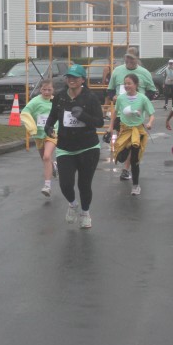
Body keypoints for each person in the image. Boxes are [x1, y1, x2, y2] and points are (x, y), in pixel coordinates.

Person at [45, 64, 104, 229]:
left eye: (75, 77)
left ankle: (85, 213)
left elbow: (99, 122)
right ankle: (72, 204)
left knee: (84, 185)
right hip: (65, 147)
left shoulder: (90, 98)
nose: (71, 80)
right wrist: (48, 127)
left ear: (82, 80)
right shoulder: (60, 97)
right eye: (69, 77)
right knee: (65, 184)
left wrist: (83, 116)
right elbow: (52, 116)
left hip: (88, 147)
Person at [106, 47, 157, 181]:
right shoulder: (117, 71)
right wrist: (113, 97)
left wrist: (141, 101)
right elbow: (110, 90)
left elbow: (152, 91)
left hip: (136, 116)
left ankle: (126, 169)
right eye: (127, 57)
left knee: (132, 143)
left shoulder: (144, 73)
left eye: (132, 58)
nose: (129, 60)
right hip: (120, 113)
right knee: (123, 143)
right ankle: (123, 157)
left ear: (137, 59)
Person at [107, 73, 155, 196]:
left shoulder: (143, 98)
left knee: (134, 159)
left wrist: (149, 123)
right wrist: (111, 126)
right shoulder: (121, 98)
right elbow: (115, 112)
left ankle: (136, 185)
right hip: (124, 130)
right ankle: (126, 165)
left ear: (136, 85)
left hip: (138, 131)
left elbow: (151, 114)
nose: (127, 86)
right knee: (120, 156)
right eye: (125, 83)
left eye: (129, 83)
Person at [20, 79, 58, 197]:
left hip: (52, 132)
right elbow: (25, 113)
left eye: (49, 90)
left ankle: (47, 186)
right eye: (44, 89)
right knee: (44, 159)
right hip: (39, 134)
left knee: (47, 156)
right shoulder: (35, 101)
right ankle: (53, 166)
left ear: (53, 90)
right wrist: (32, 128)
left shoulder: (56, 101)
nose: (46, 92)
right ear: (40, 89)